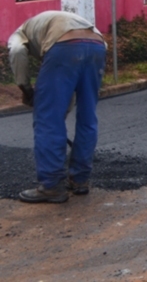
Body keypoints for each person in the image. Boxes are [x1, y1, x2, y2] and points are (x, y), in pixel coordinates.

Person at [8, 11, 107, 203]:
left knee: (48, 120)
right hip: (97, 46)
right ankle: (80, 179)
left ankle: (52, 184)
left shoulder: (20, 33)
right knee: (88, 116)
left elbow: (17, 52)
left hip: (64, 45)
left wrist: (26, 89)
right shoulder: (49, 23)